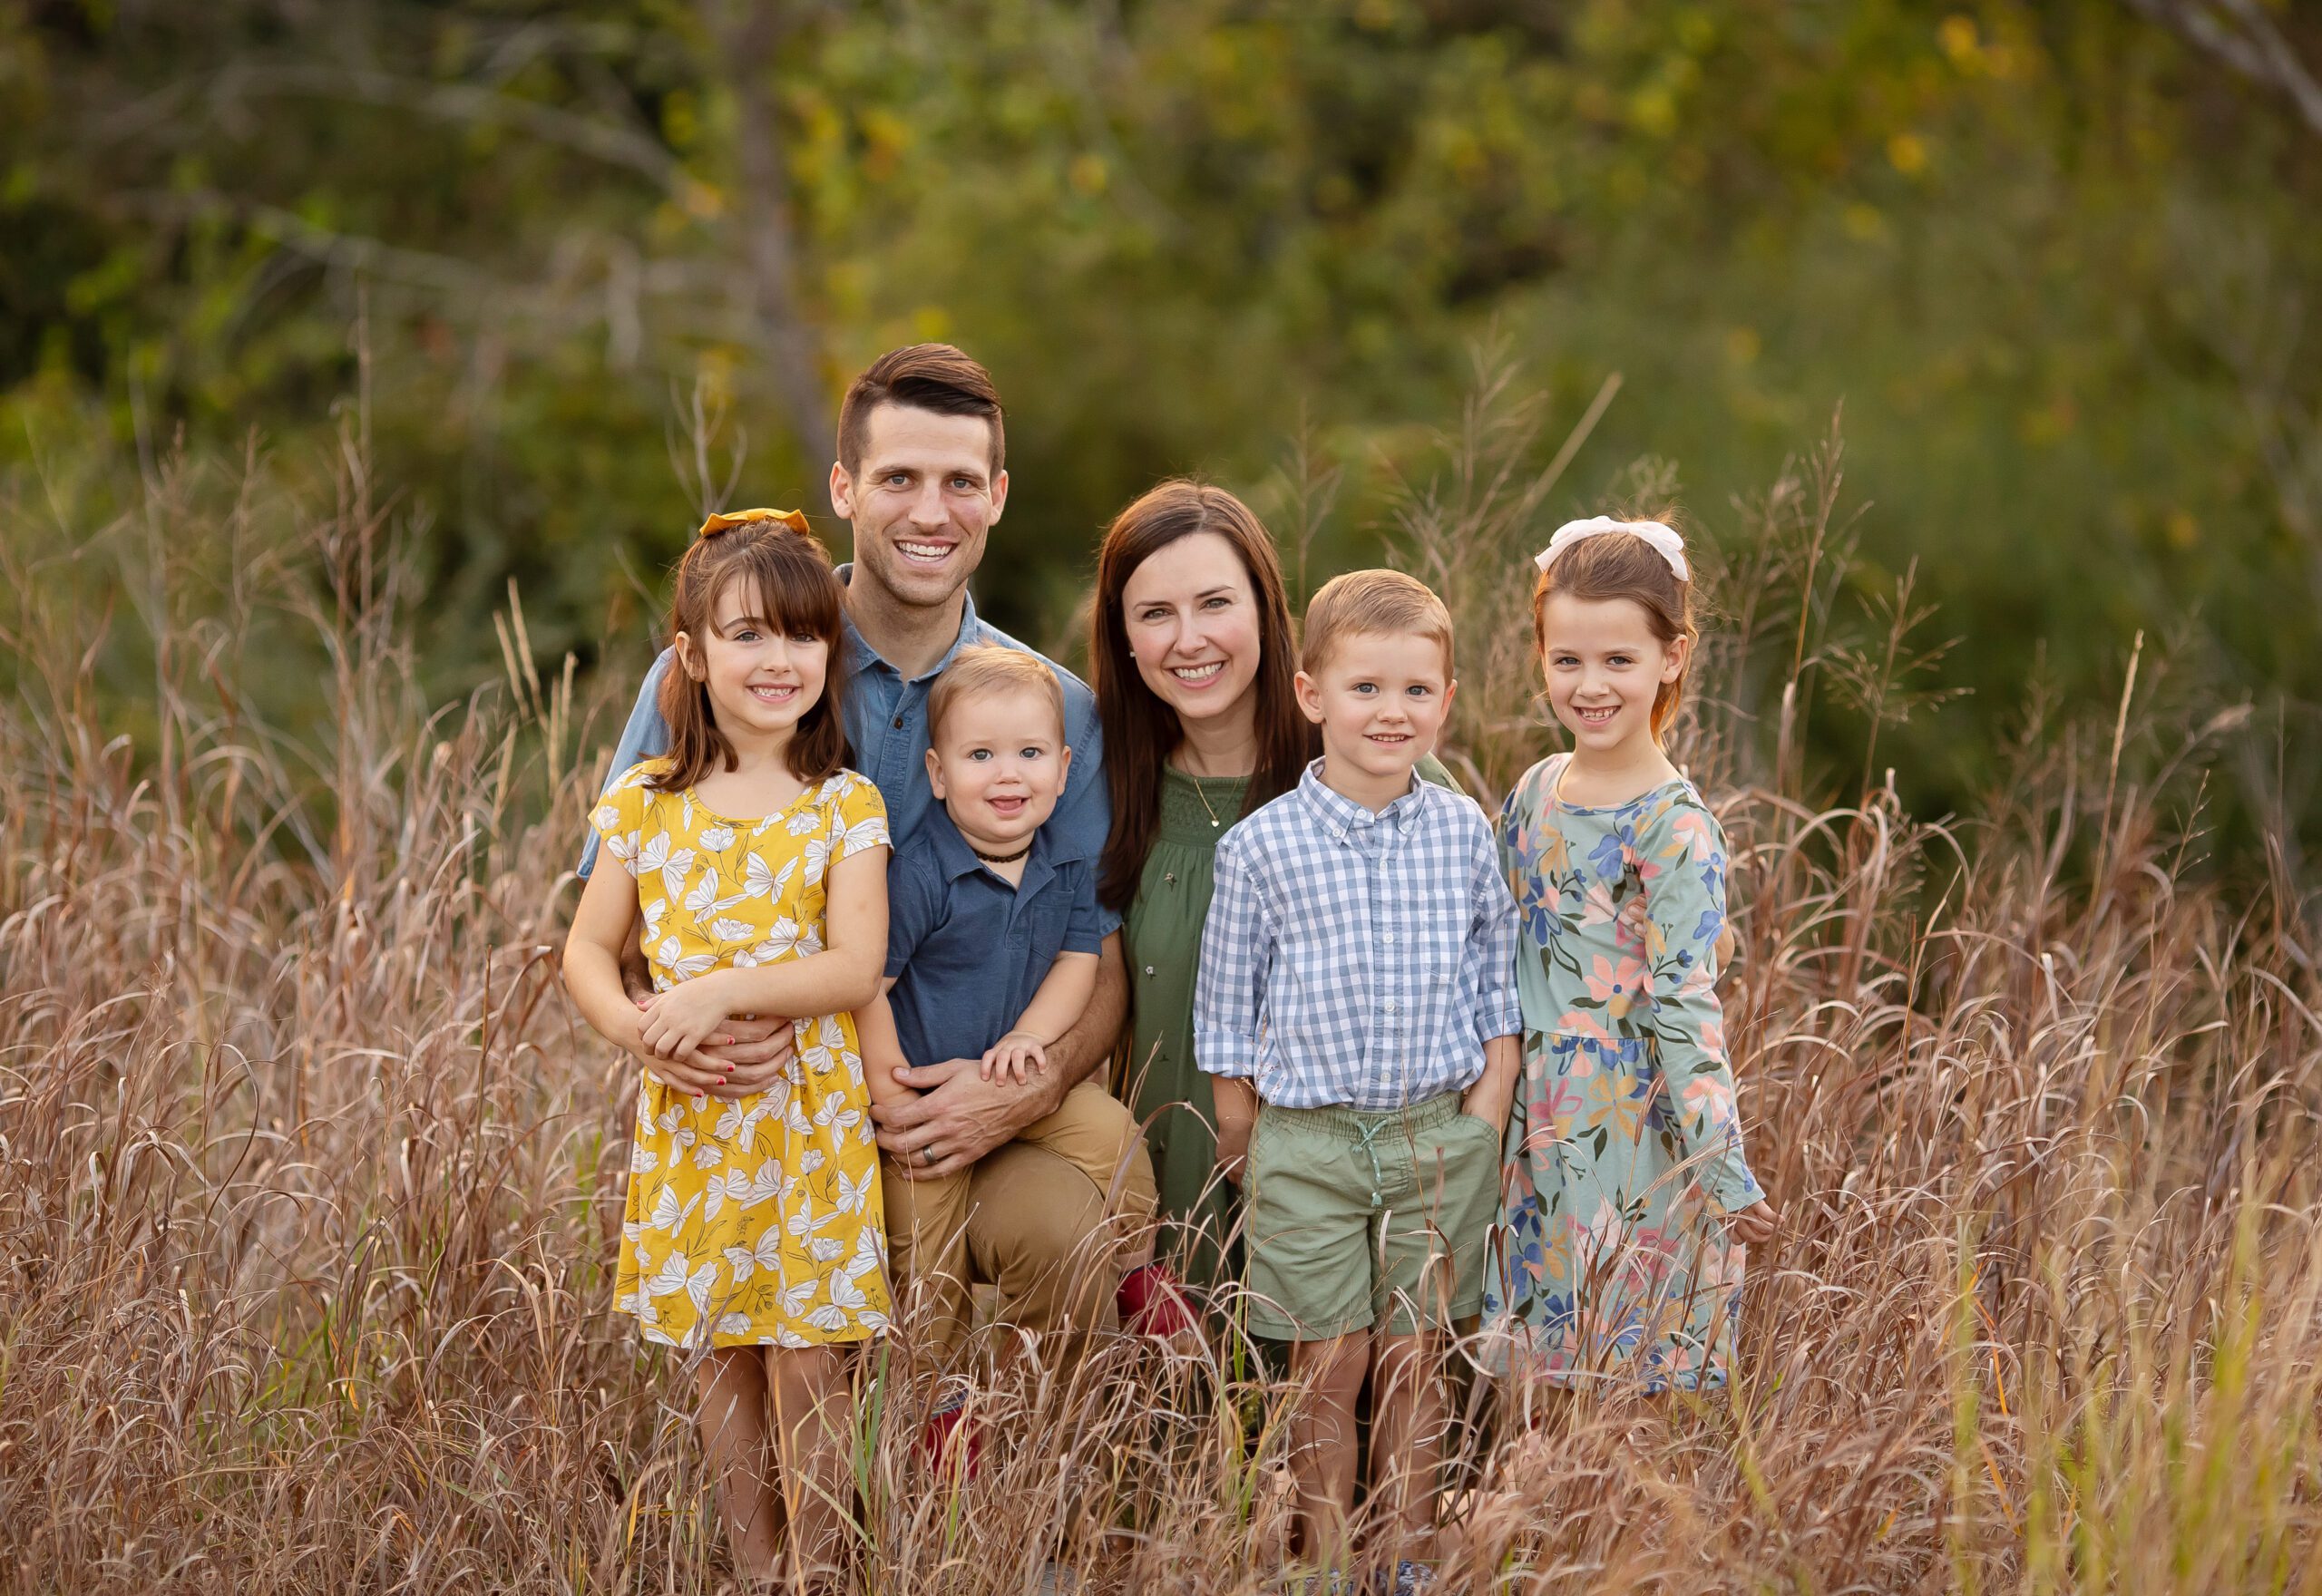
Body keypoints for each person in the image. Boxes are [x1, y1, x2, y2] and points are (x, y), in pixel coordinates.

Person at [580, 345, 1174, 1354]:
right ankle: (878, 1443)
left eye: (960, 482)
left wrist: (1021, 1090)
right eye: (899, 477)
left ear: (998, 497)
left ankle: (1009, 1447)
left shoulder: (1051, 712)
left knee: (1068, 1234)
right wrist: (671, 1033)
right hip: (775, 1114)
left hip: (966, 1109)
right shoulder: (726, 674)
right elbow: (620, 925)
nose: (930, 512)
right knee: (795, 1379)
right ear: (844, 487)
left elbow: (1099, 956)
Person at [562, 510, 890, 1586]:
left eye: (802, 634)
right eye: (747, 634)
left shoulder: (843, 804)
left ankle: (819, 1572)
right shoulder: (645, 803)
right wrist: (643, 1035)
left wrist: (715, 992)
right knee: (720, 1361)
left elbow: (854, 965)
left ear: (829, 653)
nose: (777, 657)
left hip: (806, 1127)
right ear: (693, 657)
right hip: (695, 1125)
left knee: (807, 1361)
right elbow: (586, 952)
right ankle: (756, 1569)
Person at [1195, 569, 1520, 1591]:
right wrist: (1243, 1134)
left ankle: (1408, 1559)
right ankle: (1328, 1564)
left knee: (1417, 1357)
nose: (1392, 711)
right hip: (1308, 1142)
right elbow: (1225, 1007)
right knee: (1327, 1362)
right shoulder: (1261, 848)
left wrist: (1485, 1114)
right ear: (1311, 695)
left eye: (1416, 690)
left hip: (1435, 1135)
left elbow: (1495, 980)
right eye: (1366, 687)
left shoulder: (1463, 832)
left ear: (1446, 701)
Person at [1089, 482, 1465, 1298]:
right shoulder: (1101, 788)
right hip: (1170, 1192)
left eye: (1215, 603)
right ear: (1123, 637)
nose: (1188, 639)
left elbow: (1484, 975)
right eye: (1154, 613)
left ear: (1265, 610)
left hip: (1354, 1203)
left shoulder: (1383, 774)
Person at [1485, 515, 1780, 1401]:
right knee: (1532, 1376)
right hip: (1529, 1117)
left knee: (1620, 1378)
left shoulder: (1673, 824)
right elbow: (1502, 937)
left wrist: (1720, 1165)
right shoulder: (1534, 790)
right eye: (1567, 659)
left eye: (1619, 659)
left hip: (1628, 1125)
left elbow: (1687, 1004)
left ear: (1671, 657)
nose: (1591, 684)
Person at [854, 646, 1169, 1367]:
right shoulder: (921, 873)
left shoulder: (1064, 864)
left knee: (1115, 1137)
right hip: (924, 1100)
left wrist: (1031, 1039)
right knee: (923, 1256)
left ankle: (1134, 1272)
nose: (1008, 774)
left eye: (1030, 753)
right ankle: (932, 1393)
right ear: (938, 774)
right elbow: (869, 987)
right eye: (980, 755)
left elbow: (1079, 959)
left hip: (1012, 1077)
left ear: (1063, 768)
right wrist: (892, 1093)